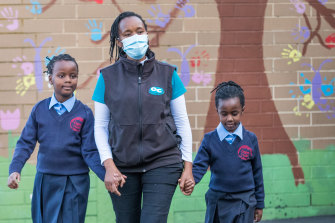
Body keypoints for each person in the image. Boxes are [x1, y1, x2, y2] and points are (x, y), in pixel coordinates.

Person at [92, 11, 194, 223]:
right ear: (119, 42)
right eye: (128, 33)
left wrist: (188, 167)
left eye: (139, 31)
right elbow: (100, 126)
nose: (135, 37)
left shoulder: (168, 74)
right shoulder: (107, 77)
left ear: (147, 34)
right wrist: (109, 166)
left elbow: (183, 122)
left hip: (162, 162)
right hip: (122, 166)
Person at [7, 54, 105, 223]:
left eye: (73, 76)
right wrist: (15, 169)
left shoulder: (85, 113)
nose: (68, 80)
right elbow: (25, 143)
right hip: (46, 180)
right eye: (61, 76)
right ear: (50, 79)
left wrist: (106, 176)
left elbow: (90, 151)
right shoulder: (39, 110)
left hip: (75, 181)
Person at [192, 81, 264, 223]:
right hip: (218, 201)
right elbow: (199, 167)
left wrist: (259, 204)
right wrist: (190, 180)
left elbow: (257, 172)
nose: (229, 118)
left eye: (234, 113)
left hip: (245, 201)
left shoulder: (251, 139)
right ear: (217, 110)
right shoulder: (209, 140)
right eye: (224, 114)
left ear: (243, 110)